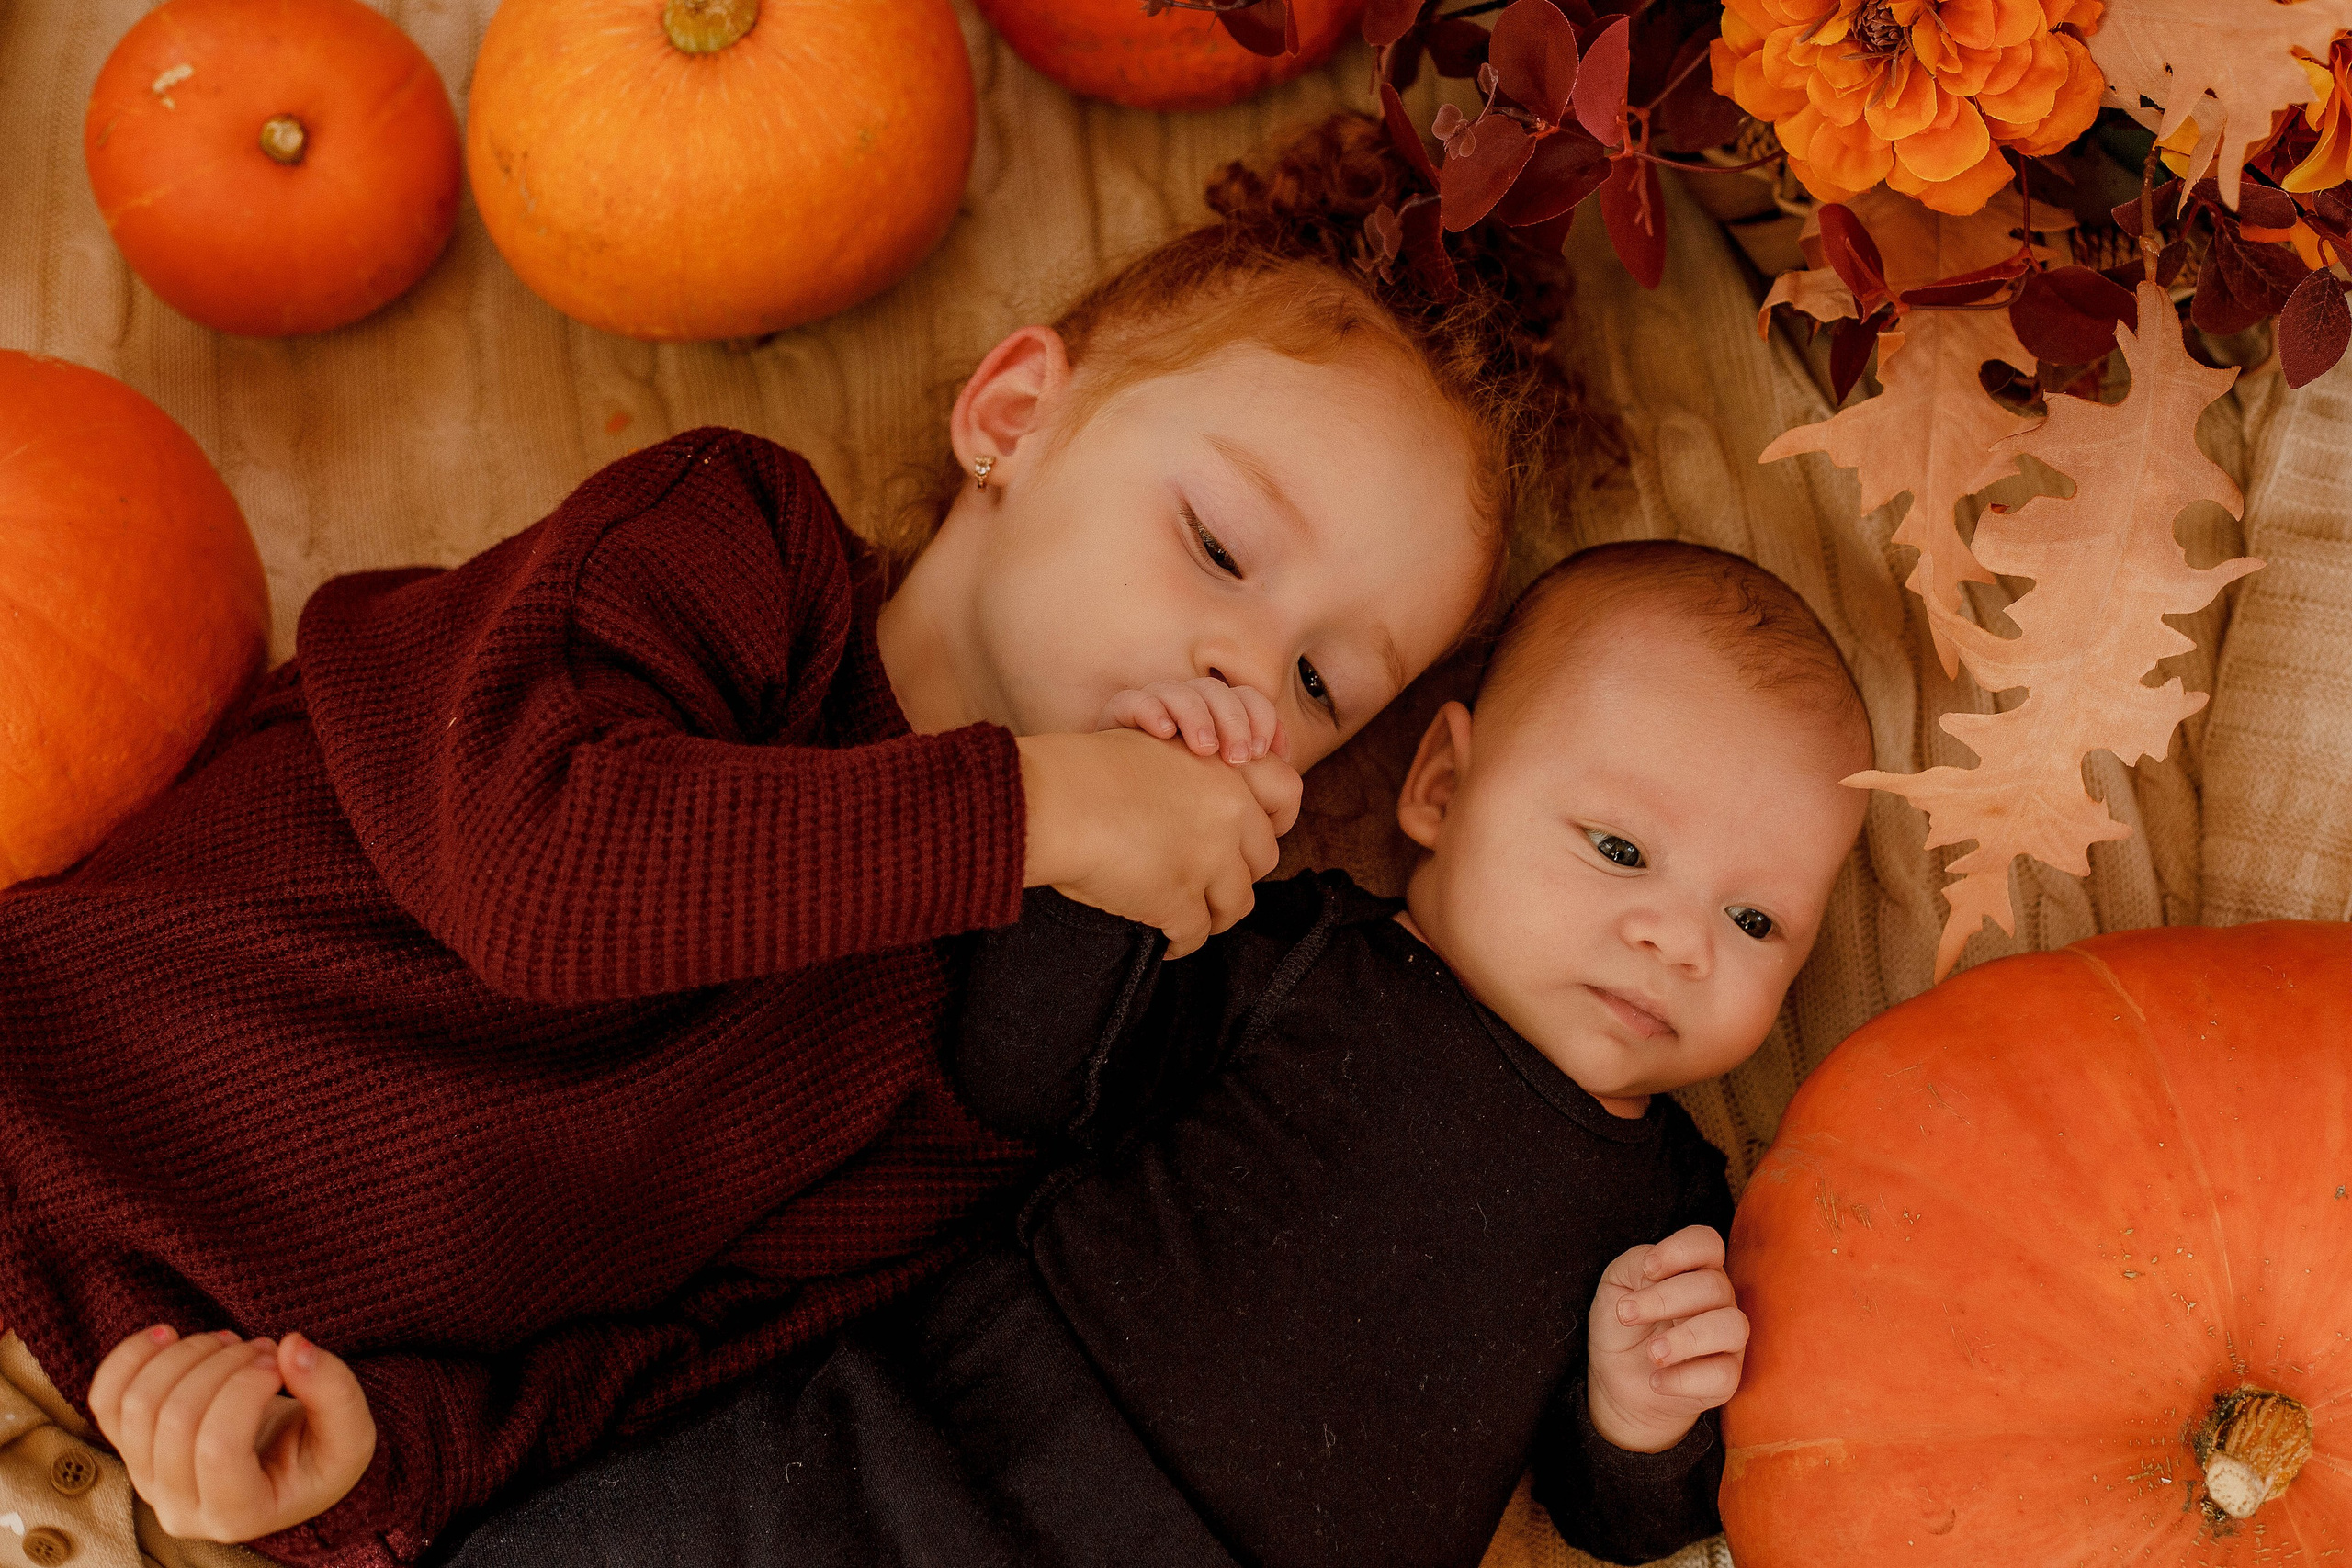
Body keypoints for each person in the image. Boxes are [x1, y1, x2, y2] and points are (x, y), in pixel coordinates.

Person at [0, 115, 1593, 1568]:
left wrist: (366, 1469)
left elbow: (671, 1363)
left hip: (172, 1486)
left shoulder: (982, 1061)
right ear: (1016, 414)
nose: (1250, 668)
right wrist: (1040, 802)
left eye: (1324, 683)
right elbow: (537, 873)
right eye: (1221, 544)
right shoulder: (727, 552)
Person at [429, 539, 1875, 1568]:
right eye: (1620, 848)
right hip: (944, 1447)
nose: (1677, 938)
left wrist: (1637, 1416)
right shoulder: (1297, 951)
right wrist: (1108, 888)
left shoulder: (1667, 1209)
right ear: (1441, 785)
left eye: (1758, 919)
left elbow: (1620, 1514)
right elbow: (1021, 1080)